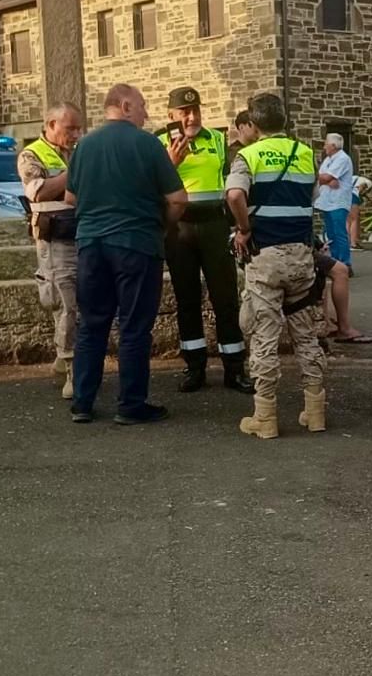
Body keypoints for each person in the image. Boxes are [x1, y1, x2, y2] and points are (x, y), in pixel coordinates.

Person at [64, 83, 186, 425]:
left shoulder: (84, 146)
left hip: (91, 245)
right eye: (144, 106)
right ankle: (131, 404)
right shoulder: (147, 144)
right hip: (136, 243)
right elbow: (179, 199)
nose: (147, 114)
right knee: (133, 326)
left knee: (91, 324)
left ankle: (82, 403)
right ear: (126, 104)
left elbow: (71, 199)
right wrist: (161, 226)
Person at [225, 92, 327, 438]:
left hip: (265, 256)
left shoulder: (247, 156)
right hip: (301, 254)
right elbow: (311, 198)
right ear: (285, 121)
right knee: (306, 333)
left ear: (252, 125)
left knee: (265, 335)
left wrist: (243, 228)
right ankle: (315, 413)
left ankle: (265, 417)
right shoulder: (305, 154)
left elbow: (235, 195)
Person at [158, 87, 248, 394]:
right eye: (184, 113)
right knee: (187, 299)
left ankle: (234, 368)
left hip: (213, 224)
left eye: (196, 110)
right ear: (171, 116)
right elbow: (150, 186)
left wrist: (237, 226)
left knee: (225, 298)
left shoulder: (218, 140)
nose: (192, 117)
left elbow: (230, 182)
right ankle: (194, 367)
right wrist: (170, 161)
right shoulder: (158, 143)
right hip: (179, 228)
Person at [18, 102, 83, 399]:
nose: (76, 134)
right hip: (55, 239)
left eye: (78, 128)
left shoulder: (77, 151)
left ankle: (63, 355)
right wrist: (76, 173)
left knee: (82, 303)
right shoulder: (31, 154)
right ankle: (71, 368)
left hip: (83, 234)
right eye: (70, 128)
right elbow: (38, 190)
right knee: (65, 303)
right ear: (52, 124)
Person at [316, 132, 355, 270]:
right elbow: (322, 177)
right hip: (327, 202)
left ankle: (345, 263)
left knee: (339, 233)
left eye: (326, 143)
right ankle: (335, 261)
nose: (324, 146)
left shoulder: (342, 159)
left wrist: (325, 179)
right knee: (331, 234)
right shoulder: (328, 159)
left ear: (333, 145)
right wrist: (326, 180)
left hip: (338, 202)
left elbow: (325, 177)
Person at [348, 175, 372, 251]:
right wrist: (361, 189)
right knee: (355, 220)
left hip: (344, 196)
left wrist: (371, 200)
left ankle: (349, 242)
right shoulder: (369, 182)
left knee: (348, 221)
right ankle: (354, 244)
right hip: (353, 197)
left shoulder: (355, 177)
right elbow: (362, 187)